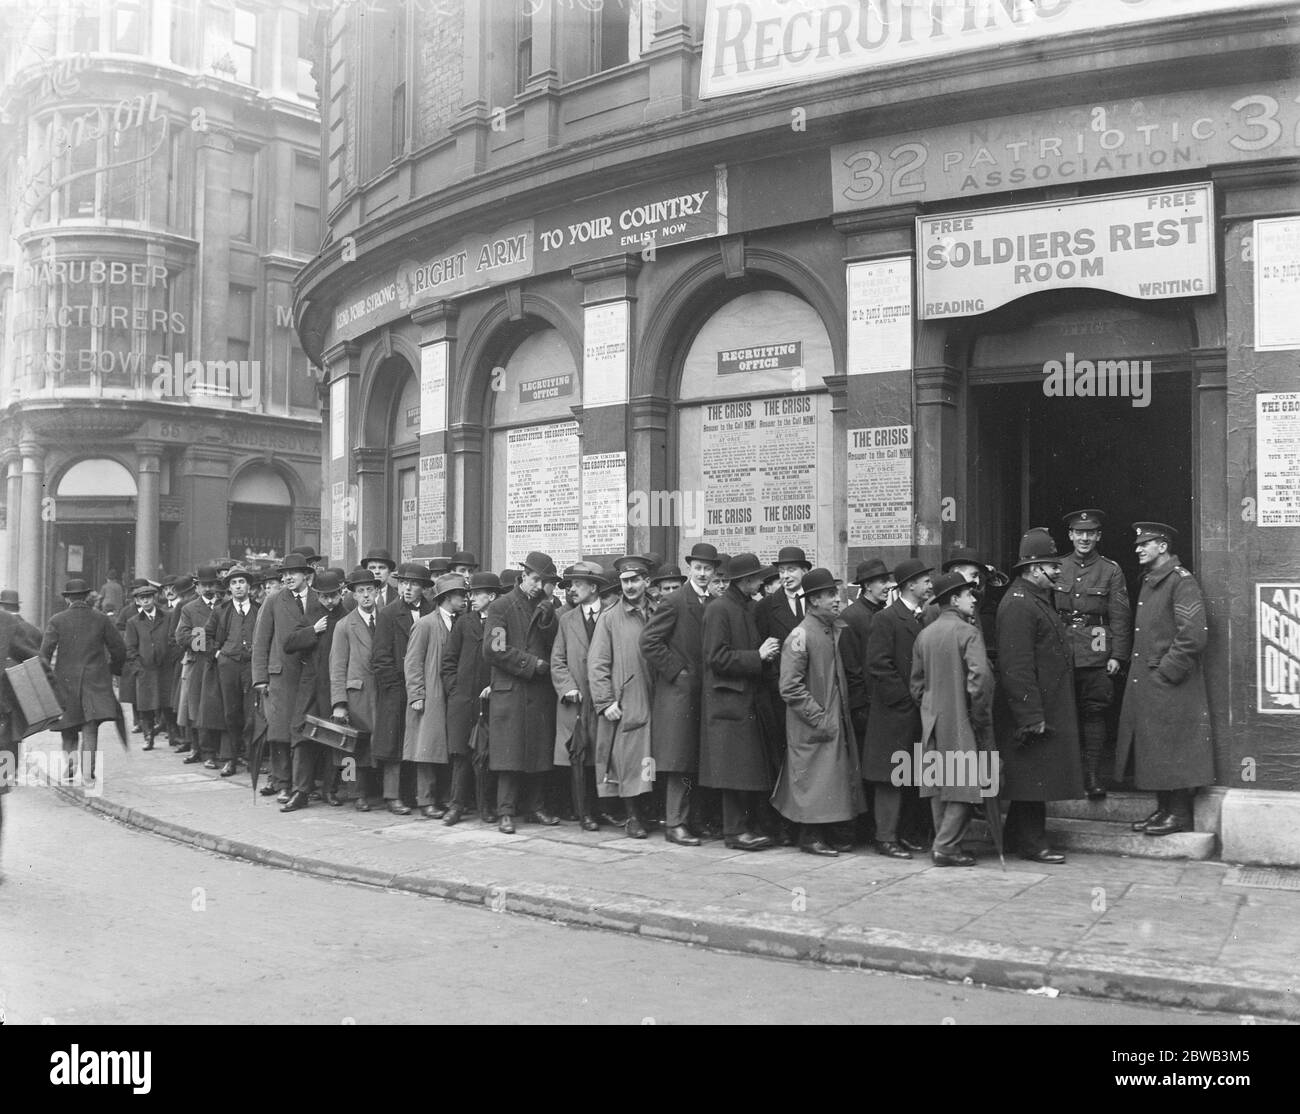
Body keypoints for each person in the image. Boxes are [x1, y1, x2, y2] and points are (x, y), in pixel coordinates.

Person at [1116, 523, 1213, 837]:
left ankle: (1179, 814)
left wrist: (1167, 671)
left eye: (1145, 543)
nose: (1138, 549)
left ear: (1163, 545)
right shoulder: (1152, 580)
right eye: (1138, 544)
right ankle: (1164, 810)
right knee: (1156, 749)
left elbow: (1193, 636)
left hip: (1172, 683)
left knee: (1174, 748)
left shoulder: (1181, 581)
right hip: (1151, 683)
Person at [994, 527, 1085, 864]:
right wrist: (1030, 717)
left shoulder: (1033, 599)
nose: (1059, 571)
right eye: (1053, 566)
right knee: (1034, 778)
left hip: (1044, 706)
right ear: (1034, 569)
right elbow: (1016, 667)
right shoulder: (1019, 604)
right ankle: (1033, 843)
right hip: (1031, 711)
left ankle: (1017, 837)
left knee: (1034, 777)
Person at [775, 567, 865, 857]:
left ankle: (827, 833)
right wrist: (820, 717)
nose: (837, 600)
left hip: (828, 721)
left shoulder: (828, 629)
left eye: (836, 593)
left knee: (828, 779)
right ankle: (810, 836)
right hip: (813, 725)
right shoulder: (801, 635)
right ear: (813, 600)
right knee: (814, 781)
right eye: (829, 595)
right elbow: (790, 687)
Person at [910, 571, 996, 867]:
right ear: (953, 599)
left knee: (937, 782)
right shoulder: (968, 632)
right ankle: (946, 847)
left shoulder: (925, 634)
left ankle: (944, 842)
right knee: (963, 782)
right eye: (968, 594)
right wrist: (979, 714)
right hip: (962, 717)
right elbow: (980, 679)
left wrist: (930, 706)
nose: (974, 599)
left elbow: (916, 685)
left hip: (932, 718)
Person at [640, 542, 722, 846]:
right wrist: (677, 671)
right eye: (698, 568)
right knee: (679, 762)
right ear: (690, 569)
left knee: (695, 759)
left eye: (708, 569)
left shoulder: (713, 602)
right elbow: (649, 642)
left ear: (715, 572)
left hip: (703, 693)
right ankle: (675, 823)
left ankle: (693, 820)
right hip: (678, 695)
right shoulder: (675, 601)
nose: (702, 574)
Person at [699, 552, 782, 851]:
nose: (761, 581)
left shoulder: (745, 606)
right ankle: (734, 832)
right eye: (757, 577)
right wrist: (757, 656)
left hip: (744, 700)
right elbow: (716, 658)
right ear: (746, 581)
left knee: (744, 770)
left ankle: (744, 828)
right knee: (734, 771)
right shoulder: (720, 609)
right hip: (730, 702)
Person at [1055, 510, 1132, 800]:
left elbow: (1120, 617)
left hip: (1097, 654)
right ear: (1071, 535)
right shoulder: (1058, 566)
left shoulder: (1110, 570)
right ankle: (1067, 775)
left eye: (1091, 533)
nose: (1084, 538)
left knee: (1095, 713)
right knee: (1063, 712)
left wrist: (1118, 655)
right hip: (1062, 652)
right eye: (1079, 533)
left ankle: (1092, 775)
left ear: (1098, 536)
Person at [483, 551, 560, 833]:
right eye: (536, 579)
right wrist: (531, 664)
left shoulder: (546, 607)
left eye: (545, 582)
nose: (540, 586)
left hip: (538, 692)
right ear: (524, 575)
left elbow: (555, 645)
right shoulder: (502, 606)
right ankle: (506, 811)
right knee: (509, 755)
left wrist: (549, 621)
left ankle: (536, 808)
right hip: (513, 689)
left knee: (538, 753)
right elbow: (494, 648)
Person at [862, 557, 934, 859]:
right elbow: (878, 666)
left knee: (909, 776)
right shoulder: (886, 619)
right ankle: (885, 837)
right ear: (910, 585)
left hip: (915, 713)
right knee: (890, 778)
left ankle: (903, 834)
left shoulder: (927, 618)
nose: (930, 585)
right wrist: (907, 699)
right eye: (925, 580)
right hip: (894, 713)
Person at [589, 555, 656, 839]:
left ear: (646, 581)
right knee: (630, 760)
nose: (629, 586)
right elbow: (597, 663)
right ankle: (633, 816)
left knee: (651, 759)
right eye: (624, 581)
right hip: (628, 699)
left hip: (657, 697)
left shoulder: (660, 611)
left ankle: (650, 812)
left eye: (634, 580)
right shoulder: (609, 618)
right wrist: (605, 702)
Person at [252, 553, 323, 802]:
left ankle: (304, 784)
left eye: (293, 573)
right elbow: (261, 640)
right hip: (281, 676)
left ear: (307, 575)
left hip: (310, 675)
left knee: (305, 732)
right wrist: (260, 677)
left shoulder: (318, 598)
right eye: (284, 574)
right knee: (279, 732)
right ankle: (283, 782)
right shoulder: (273, 600)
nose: (288, 578)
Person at [41, 579, 126, 786]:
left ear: (67, 598)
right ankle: (88, 774)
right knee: (90, 727)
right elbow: (119, 650)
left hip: (65, 682)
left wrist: (50, 679)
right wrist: (112, 670)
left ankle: (70, 769)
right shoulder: (101, 619)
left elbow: (44, 655)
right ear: (87, 596)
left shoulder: (57, 620)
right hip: (95, 681)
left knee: (69, 727)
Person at [282, 569, 349, 812]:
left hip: (335, 690)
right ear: (317, 595)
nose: (329, 601)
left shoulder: (348, 617)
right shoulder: (311, 615)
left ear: (341, 593)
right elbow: (288, 644)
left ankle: (331, 790)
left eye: (333, 595)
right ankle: (301, 791)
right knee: (303, 740)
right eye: (324, 596)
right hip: (309, 689)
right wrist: (312, 631)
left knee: (336, 742)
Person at [370, 562, 434, 815]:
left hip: (425, 687)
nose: (407, 588)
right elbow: (380, 657)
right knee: (394, 742)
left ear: (423, 588)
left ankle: (423, 797)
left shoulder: (432, 611)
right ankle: (392, 795)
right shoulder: (388, 613)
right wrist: (394, 687)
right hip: (396, 689)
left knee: (423, 742)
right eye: (404, 583)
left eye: (414, 584)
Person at [405, 573, 468, 818]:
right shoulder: (425, 624)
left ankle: (443, 798)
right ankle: (426, 800)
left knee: (446, 748)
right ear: (446, 597)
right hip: (430, 694)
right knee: (427, 748)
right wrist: (417, 694)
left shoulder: (460, 621)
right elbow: (412, 662)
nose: (464, 599)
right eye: (460, 595)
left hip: (451, 694)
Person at [441, 570, 501, 824]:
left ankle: (485, 806)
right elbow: (449, 661)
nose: (472, 599)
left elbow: (500, 659)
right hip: (463, 700)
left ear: (492, 596)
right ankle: (456, 806)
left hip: (488, 699)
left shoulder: (499, 625)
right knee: (460, 755)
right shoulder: (464, 623)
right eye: (470, 594)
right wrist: (455, 689)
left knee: (484, 755)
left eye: (477, 594)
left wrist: (494, 686)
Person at [550, 562, 606, 830]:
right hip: (576, 702)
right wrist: (567, 687)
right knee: (579, 756)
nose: (571, 589)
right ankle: (584, 813)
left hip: (603, 698)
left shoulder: (611, 614)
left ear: (593, 588)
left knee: (602, 755)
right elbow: (557, 660)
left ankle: (603, 809)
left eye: (577, 584)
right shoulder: (567, 619)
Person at [329, 567, 383, 810]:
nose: (366, 596)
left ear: (377, 592)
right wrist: (339, 703)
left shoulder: (386, 618)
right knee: (353, 745)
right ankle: (355, 792)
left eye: (370, 590)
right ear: (353, 595)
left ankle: (373, 791)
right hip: (357, 693)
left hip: (381, 691)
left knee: (377, 741)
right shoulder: (344, 625)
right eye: (360, 591)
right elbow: (337, 666)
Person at [206, 566, 260, 777]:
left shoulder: (259, 609)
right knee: (230, 712)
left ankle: (251, 757)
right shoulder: (220, 610)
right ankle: (230, 759)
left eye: (242, 582)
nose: (238, 587)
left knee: (252, 712)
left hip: (251, 666)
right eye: (234, 583)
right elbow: (203, 636)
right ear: (229, 587)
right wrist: (216, 653)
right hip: (228, 666)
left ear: (249, 586)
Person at [176, 566, 222, 769]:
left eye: (211, 584)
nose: (208, 589)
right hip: (198, 663)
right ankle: (201, 750)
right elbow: (182, 637)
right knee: (195, 708)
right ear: (197, 587)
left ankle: (216, 751)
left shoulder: (225, 606)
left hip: (221, 663)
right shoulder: (189, 608)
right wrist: (208, 641)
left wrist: (202, 636)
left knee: (216, 708)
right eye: (204, 585)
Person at [123, 583, 169, 750]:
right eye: (142, 599)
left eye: (149, 597)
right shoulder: (133, 622)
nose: (146, 601)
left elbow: (172, 640)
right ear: (137, 601)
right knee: (146, 706)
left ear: (154, 598)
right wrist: (137, 668)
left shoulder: (167, 617)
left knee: (167, 704)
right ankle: (148, 737)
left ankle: (173, 735)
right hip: (145, 670)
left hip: (164, 669)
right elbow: (130, 647)